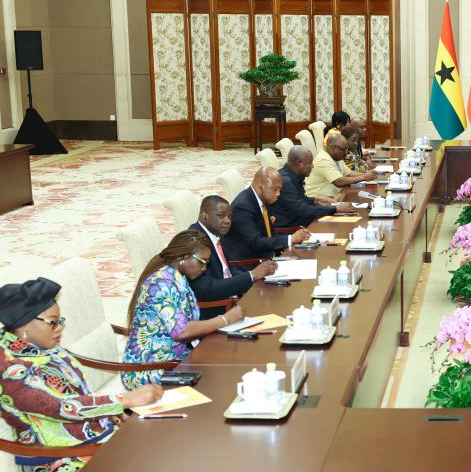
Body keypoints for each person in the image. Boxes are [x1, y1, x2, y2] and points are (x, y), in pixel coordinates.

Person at [0, 278, 162, 472]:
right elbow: (60, 407)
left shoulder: (41, 346)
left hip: (91, 440)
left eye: (59, 321)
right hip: (57, 459)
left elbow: (76, 392)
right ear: (25, 326)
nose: (59, 328)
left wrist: (112, 414)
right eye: (52, 323)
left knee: (163, 443)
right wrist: (124, 400)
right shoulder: (10, 370)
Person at [122, 230, 246, 388]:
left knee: (228, 366)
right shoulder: (161, 283)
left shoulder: (178, 277)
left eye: (207, 263)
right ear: (182, 257)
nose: (204, 268)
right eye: (202, 262)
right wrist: (225, 319)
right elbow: (181, 332)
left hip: (176, 358)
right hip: (149, 368)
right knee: (218, 382)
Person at [189, 195, 277, 320]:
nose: (227, 221)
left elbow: (228, 271)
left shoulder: (216, 235)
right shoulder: (195, 242)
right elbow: (206, 290)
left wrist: (254, 279)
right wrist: (251, 275)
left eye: (229, 217)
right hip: (217, 312)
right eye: (221, 216)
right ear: (204, 215)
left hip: (233, 300)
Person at [223, 167, 311, 260]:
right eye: (275, 189)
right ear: (261, 187)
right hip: (251, 263)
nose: (278, 194)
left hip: (267, 256)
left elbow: (270, 233)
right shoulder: (242, 207)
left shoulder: (262, 199)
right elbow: (255, 243)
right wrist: (290, 239)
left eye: (279, 190)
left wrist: (292, 240)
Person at [273, 146, 353, 228]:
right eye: (310, 163)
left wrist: (316, 200)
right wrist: (335, 208)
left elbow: (299, 200)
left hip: (302, 222)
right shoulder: (285, 181)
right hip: (291, 230)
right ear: (299, 163)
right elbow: (304, 210)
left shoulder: (294, 175)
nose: (312, 166)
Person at [304, 131, 376, 199]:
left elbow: (348, 173)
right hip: (319, 200)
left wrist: (367, 175)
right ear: (333, 147)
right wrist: (364, 177)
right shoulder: (323, 159)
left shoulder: (336, 157)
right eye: (344, 150)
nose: (346, 153)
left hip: (334, 197)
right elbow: (339, 181)